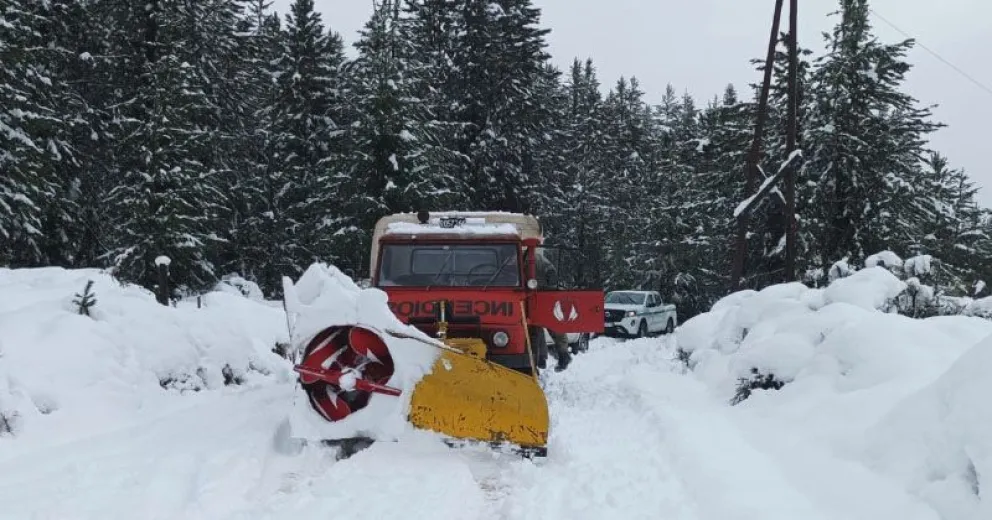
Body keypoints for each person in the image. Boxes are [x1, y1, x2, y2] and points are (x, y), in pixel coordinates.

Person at [534, 248, 572, 372]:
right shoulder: (537, 258)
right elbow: (551, 272)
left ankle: (545, 357)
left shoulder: (535, 258)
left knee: (540, 327)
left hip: (539, 296)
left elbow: (551, 272)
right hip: (540, 296)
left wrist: (544, 287)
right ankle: (553, 356)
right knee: (547, 326)